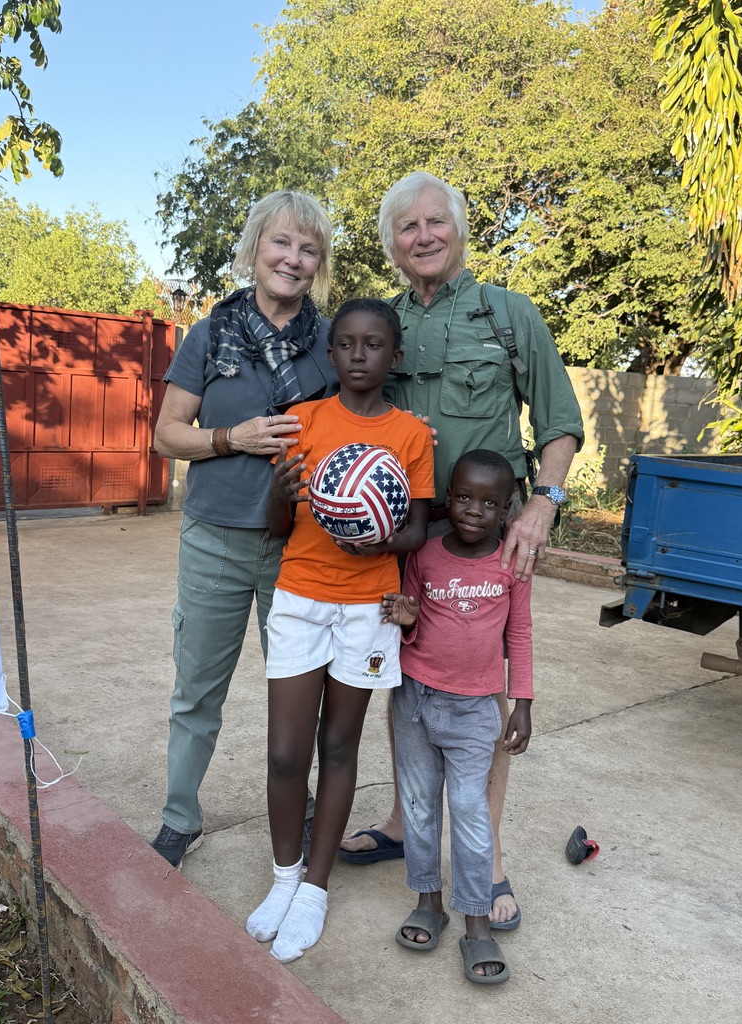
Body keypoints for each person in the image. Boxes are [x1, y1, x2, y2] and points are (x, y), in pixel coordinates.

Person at [339, 171, 584, 929]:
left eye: (435, 221)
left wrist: (542, 503)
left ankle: (490, 855)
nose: (423, 236)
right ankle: (402, 819)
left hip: (488, 536)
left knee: (483, 689)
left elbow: (559, 421)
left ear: (459, 229)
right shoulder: (384, 325)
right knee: (406, 674)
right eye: (407, 227)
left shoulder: (509, 314)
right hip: (407, 535)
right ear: (392, 245)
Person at [149, 190, 339, 868]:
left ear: (319, 263)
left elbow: (364, 421)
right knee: (197, 690)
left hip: (303, 547)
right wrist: (232, 437)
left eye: (308, 248)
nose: (292, 258)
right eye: (281, 242)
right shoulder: (211, 333)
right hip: (215, 542)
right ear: (256, 247)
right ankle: (179, 819)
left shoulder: (333, 341)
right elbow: (167, 435)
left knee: (301, 696)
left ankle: (303, 811)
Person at [245, 298, 434, 963]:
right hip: (300, 599)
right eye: (347, 343)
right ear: (331, 354)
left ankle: (315, 888)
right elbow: (277, 526)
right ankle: (284, 877)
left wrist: (377, 537)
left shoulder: (410, 435)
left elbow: (417, 529)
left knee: (338, 745)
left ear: (394, 357)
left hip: (367, 609)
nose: (359, 355)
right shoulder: (302, 421)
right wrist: (281, 493)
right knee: (285, 753)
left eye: (373, 344)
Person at [383, 448, 532, 985]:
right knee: (419, 805)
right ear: (448, 499)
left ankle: (477, 923)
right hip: (415, 700)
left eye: (489, 503)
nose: (474, 510)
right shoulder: (423, 555)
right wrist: (405, 621)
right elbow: (411, 622)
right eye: (464, 497)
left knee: (469, 810)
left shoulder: (512, 563)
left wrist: (523, 702)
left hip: (474, 709)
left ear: (506, 509)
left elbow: (520, 632)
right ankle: (428, 902)